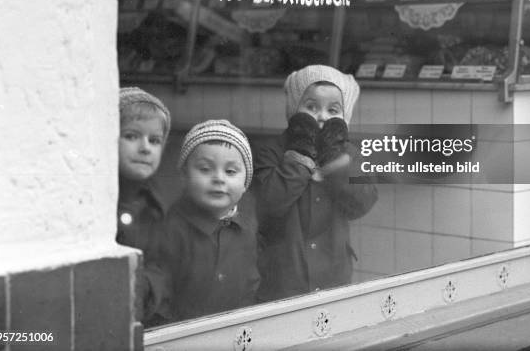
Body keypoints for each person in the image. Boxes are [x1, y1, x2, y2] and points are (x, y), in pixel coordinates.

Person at [253, 64, 378, 301]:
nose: (321, 116)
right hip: (283, 281)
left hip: (333, 278)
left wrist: (336, 160)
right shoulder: (272, 151)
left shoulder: (351, 154)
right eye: (311, 107)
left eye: (333, 110)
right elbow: (267, 205)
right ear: (293, 110)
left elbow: (363, 202)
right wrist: (299, 157)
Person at [155, 119, 259, 320]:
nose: (219, 178)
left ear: (246, 182)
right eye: (205, 169)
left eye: (230, 171)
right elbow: (160, 301)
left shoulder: (248, 231)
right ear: (184, 176)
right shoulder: (170, 230)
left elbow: (251, 287)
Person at [117, 86, 171, 324]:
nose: (145, 147)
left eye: (155, 140)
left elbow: (161, 263)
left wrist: (149, 287)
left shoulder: (156, 204)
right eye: (131, 136)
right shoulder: (99, 203)